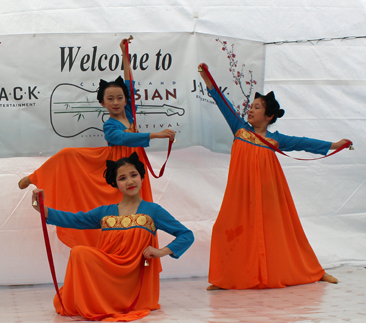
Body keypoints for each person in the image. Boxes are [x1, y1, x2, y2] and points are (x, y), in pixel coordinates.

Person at [198, 63, 348, 290]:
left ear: (268, 116)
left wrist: (334, 145)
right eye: (251, 106)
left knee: (284, 233)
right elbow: (222, 102)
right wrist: (206, 77)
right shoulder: (239, 129)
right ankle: (226, 277)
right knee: (228, 229)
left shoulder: (276, 140)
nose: (250, 110)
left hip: (268, 195)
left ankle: (315, 271)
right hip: (241, 194)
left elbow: (304, 142)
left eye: (256, 107)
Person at [19, 38, 175, 248]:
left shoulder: (129, 114)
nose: (116, 102)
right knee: (67, 156)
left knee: (138, 207)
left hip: (134, 165)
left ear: (126, 100)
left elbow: (129, 82)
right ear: (103, 103)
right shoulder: (110, 125)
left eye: (119, 97)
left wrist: (124, 53)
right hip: (115, 164)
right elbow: (122, 138)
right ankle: (34, 177)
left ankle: (136, 249)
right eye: (110, 99)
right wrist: (155, 135)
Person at [32, 152, 193, 321]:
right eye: (122, 178)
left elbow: (186, 235)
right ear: (115, 183)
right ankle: (97, 299)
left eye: (133, 175)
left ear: (141, 177)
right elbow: (74, 219)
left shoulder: (153, 210)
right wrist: (41, 208)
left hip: (134, 278)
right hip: (107, 271)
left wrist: (162, 251)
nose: (130, 181)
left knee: (79, 252)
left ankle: (114, 301)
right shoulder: (105, 212)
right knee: (79, 252)